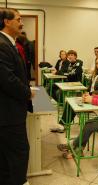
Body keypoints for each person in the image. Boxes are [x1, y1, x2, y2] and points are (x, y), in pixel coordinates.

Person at [0, 8, 34, 185]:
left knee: (7, 156)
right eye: (19, 19)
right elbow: (8, 79)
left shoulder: (9, 43)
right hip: (8, 114)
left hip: (9, 112)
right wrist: (28, 92)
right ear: (7, 21)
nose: (21, 23)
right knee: (19, 153)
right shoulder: (2, 44)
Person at [52, 56, 98, 133]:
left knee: (73, 104)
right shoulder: (96, 74)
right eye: (97, 63)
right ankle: (63, 124)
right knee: (70, 102)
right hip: (91, 97)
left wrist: (90, 94)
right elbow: (89, 87)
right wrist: (86, 92)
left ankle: (63, 125)